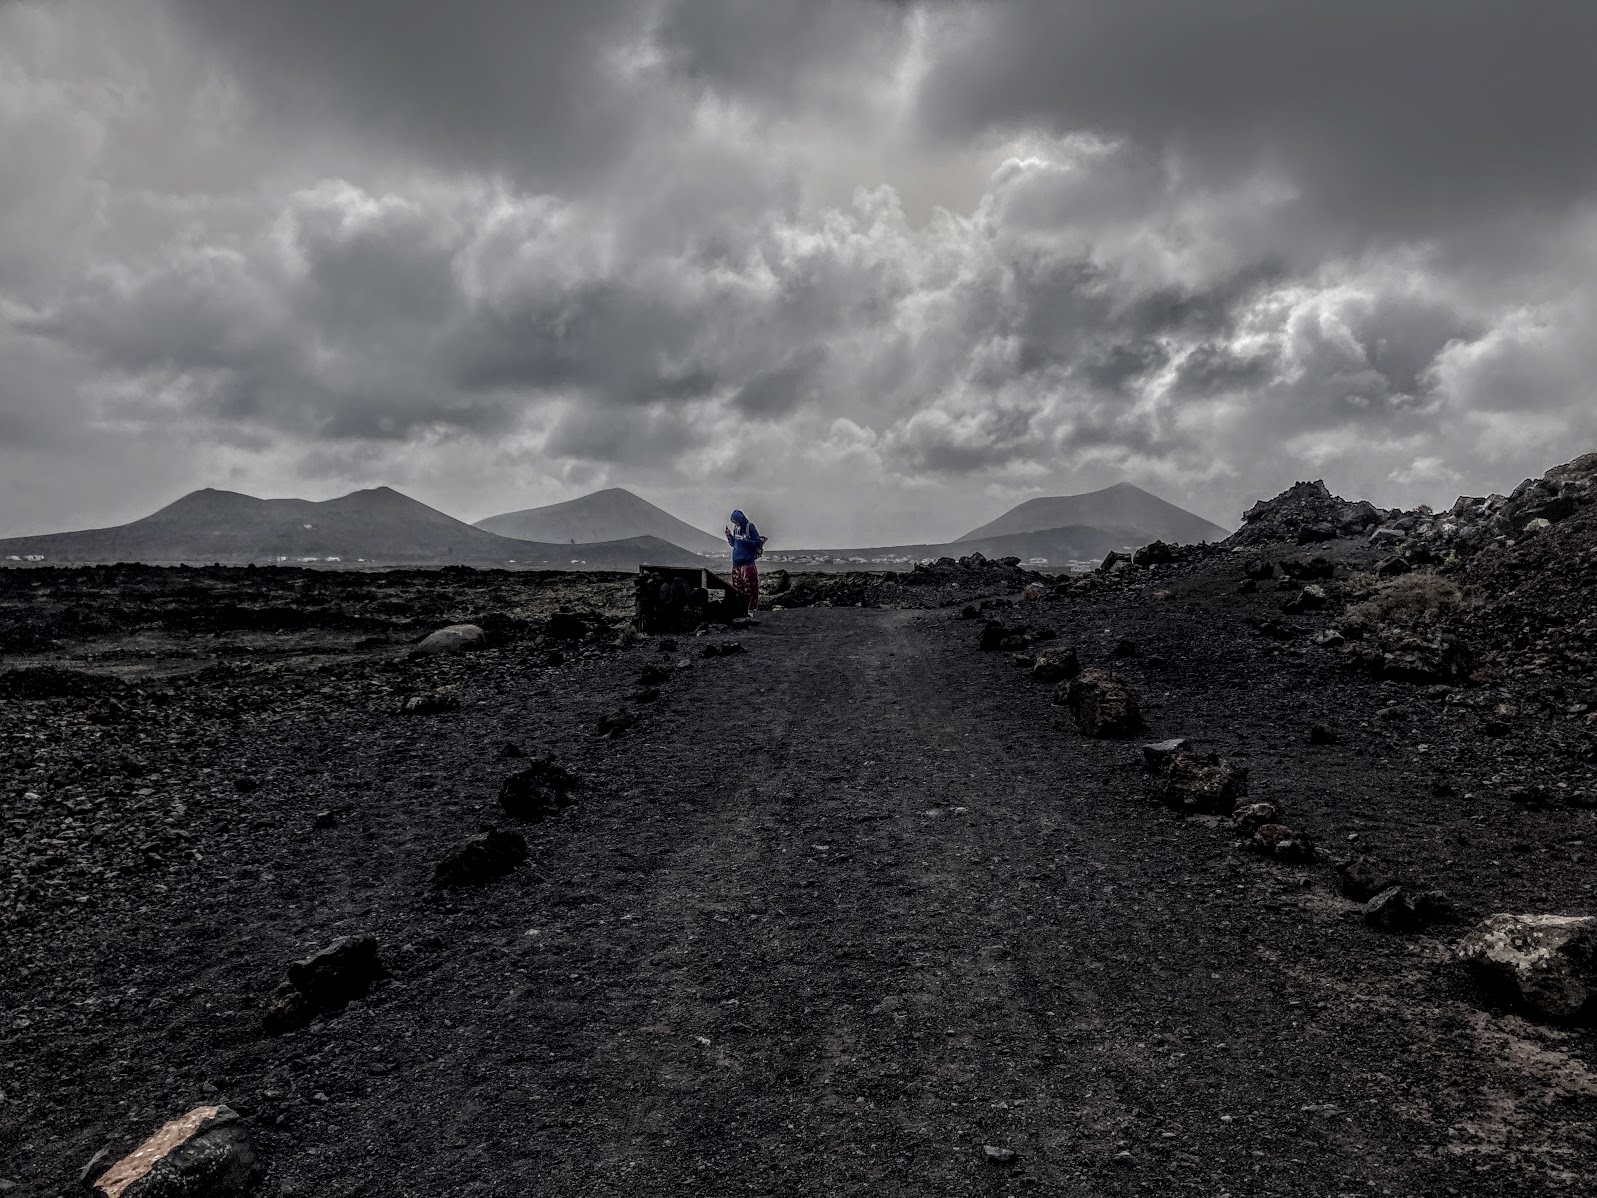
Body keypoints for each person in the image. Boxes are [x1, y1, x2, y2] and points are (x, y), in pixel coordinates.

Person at [725, 509, 762, 616]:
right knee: (738, 587)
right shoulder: (736, 529)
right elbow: (734, 544)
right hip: (737, 563)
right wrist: (729, 536)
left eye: (736, 521)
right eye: (733, 522)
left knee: (750, 587)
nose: (735, 524)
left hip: (747, 562)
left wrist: (744, 540)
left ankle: (751, 609)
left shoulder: (749, 527)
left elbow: (757, 542)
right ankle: (740, 609)